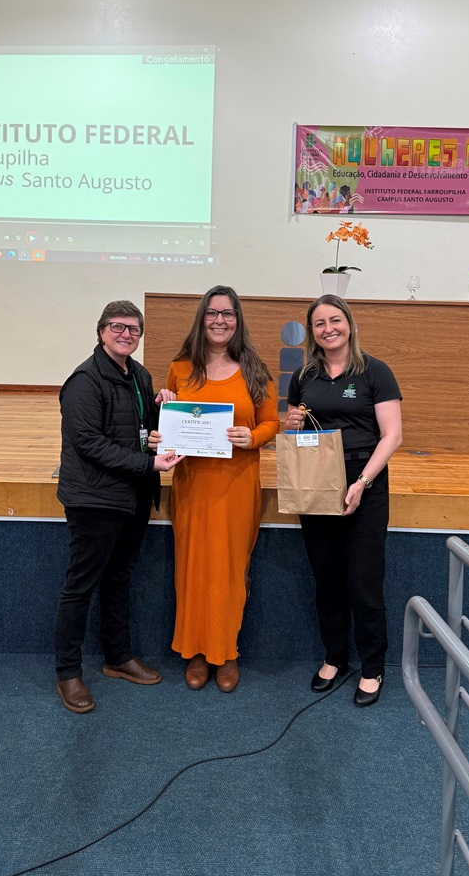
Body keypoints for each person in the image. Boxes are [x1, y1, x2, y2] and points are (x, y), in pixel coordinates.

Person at [54, 301, 183, 714]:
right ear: (101, 331)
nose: (126, 334)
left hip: (132, 495)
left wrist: (164, 407)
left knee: (119, 578)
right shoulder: (84, 381)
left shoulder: (139, 375)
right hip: (95, 499)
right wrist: (149, 464)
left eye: (133, 329)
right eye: (118, 327)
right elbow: (89, 443)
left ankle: (117, 656)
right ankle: (68, 672)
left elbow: (142, 431)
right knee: (81, 586)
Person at [286, 295, 402, 709]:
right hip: (317, 483)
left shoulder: (374, 371)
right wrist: (291, 424)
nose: (328, 329)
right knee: (327, 579)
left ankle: (372, 666)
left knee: (364, 583)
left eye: (335, 320)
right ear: (311, 331)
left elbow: (392, 435)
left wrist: (362, 482)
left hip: (363, 483)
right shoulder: (304, 375)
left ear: (350, 324)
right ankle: (334, 656)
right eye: (319, 323)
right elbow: (296, 433)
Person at [166, 286, 280, 692]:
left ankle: (225, 651)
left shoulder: (255, 370)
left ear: (237, 320)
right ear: (201, 319)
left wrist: (254, 437)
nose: (219, 320)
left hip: (237, 483)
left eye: (227, 313)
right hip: (192, 483)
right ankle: (196, 650)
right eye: (212, 313)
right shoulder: (180, 368)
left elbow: (271, 421)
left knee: (231, 570)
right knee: (192, 568)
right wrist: (163, 417)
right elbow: (170, 419)